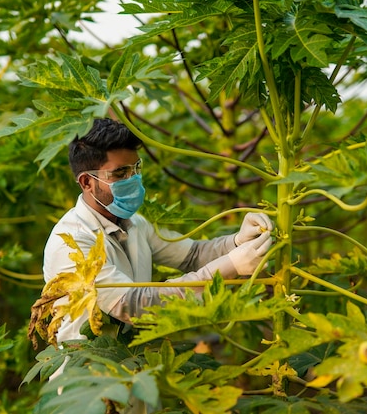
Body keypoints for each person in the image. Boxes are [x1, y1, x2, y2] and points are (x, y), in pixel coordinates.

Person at [42, 118, 273, 411]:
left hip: (135, 379)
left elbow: (192, 256)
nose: (133, 179)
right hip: (90, 388)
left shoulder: (135, 223)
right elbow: (135, 305)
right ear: (87, 182)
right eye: (120, 173)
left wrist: (236, 243)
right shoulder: (72, 241)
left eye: (136, 169)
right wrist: (230, 266)